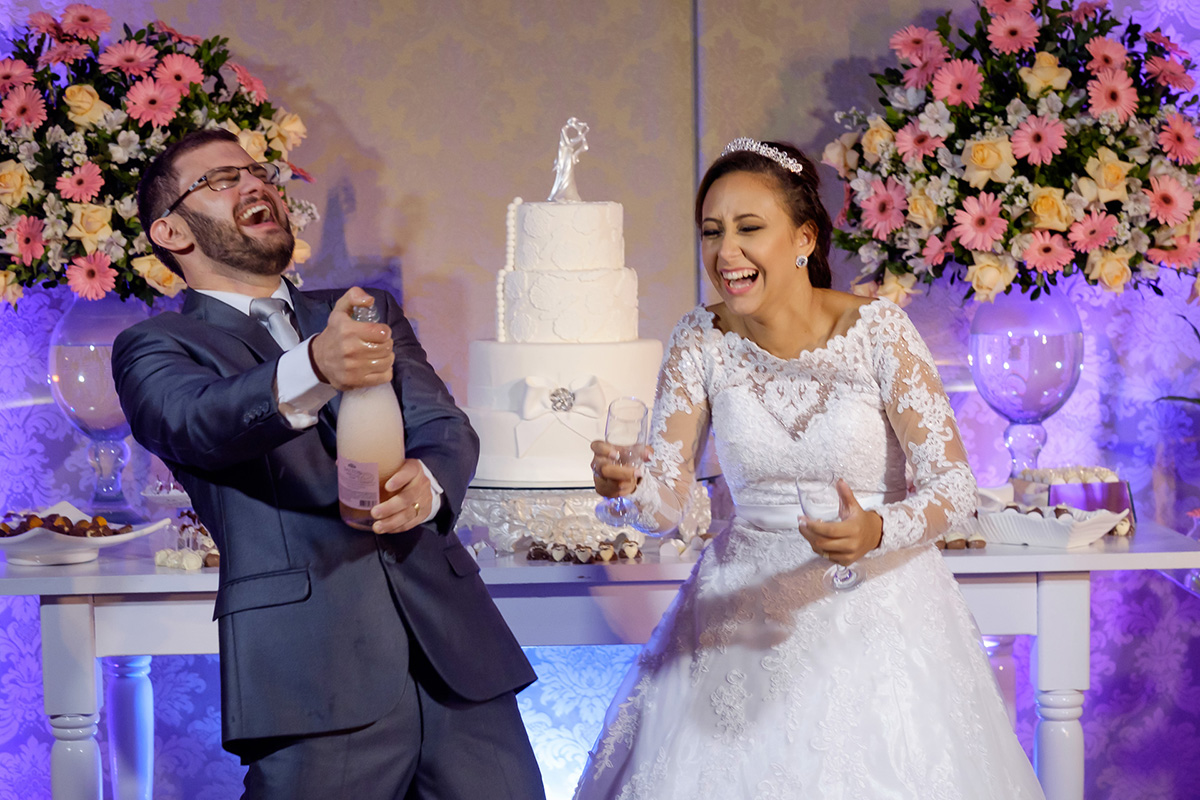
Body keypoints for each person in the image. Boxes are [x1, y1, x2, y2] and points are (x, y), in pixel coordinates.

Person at [574, 139, 1045, 799]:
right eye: (711, 232)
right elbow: (664, 509)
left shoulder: (880, 331)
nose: (724, 253)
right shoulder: (697, 339)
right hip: (740, 613)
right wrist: (624, 489)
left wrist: (877, 528)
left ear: (804, 238)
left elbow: (955, 488)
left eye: (748, 229)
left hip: (879, 608)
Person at [112, 128, 545, 800]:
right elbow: (194, 421)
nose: (255, 184)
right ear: (171, 233)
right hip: (310, 673)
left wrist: (427, 486)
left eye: (258, 172)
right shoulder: (156, 345)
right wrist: (313, 366)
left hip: (458, 659)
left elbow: (441, 426)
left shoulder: (365, 309)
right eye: (222, 180)